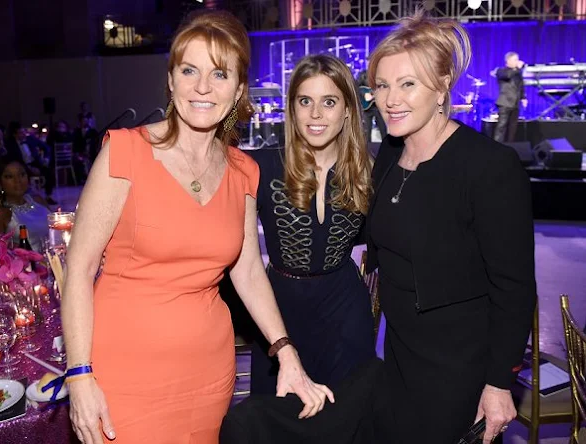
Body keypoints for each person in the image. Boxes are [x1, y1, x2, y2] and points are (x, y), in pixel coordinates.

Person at [60, 10, 333, 444]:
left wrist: (286, 351)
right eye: (189, 70)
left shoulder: (243, 170)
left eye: (219, 74)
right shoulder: (125, 152)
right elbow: (79, 268)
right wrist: (78, 375)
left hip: (207, 374)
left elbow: (247, 272)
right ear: (171, 80)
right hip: (122, 373)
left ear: (239, 89)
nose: (203, 87)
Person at [365, 12, 536, 444]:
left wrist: (499, 383)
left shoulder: (487, 167)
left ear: (442, 86)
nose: (391, 99)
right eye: (382, 85)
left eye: (408, 84)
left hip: (460, 368)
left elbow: (514, 288)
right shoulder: (389, 153)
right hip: (399, 356)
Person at [248, 54, 375, 395]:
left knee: (346, 418)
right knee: (278, 422)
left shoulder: (368, 172)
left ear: (348, 109)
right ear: (292, 109)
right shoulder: (259, 168)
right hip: (278, 314)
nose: (315, 114)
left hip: (346, 314)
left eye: (329, 102)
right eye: (305, 101)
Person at [0, 156, 51, 251]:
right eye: (9, 177)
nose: (18, 181)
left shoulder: (38, 200)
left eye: (22, 174)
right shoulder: (2, 214)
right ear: (0, 182)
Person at [5, 122, 57, 204]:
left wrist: (46, 159)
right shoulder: (10, 144)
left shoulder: (30, 139)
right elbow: (13, 159)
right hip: (20, 166)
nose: (23, 134)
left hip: (34, 162)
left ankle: (48, 196)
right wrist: (28, 168)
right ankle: (27, 199)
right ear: (15, 135)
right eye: (20, 133)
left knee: (48, 171)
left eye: (23, 132)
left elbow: (46, 147)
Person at [493, 51, 527, 143]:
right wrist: (517, 70)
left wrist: (523, 97)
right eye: (515, 59)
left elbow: (521, 86)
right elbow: (508, 76)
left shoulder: (517, 73)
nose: (518, 61)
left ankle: (510, 146)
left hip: (515, 104)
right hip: (504, 103)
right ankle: (497, 146)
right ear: (508, 60)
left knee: (513, 128)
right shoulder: (500, 71)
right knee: (501, 127)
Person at [356, 69, 387, 143]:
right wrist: (375, 95)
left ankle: (386, 147)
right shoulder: (362, 89)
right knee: (367, 131)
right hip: (367, 111)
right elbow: (367, 98)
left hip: (376, 109)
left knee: (383, 129)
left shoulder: (374, 88)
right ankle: (368, 149)